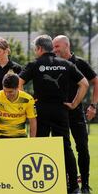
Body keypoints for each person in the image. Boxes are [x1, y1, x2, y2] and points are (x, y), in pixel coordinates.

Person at [19, 35, 89, 193]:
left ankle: (41, 185)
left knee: (40, 147)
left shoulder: (35, 64)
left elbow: (18, 83)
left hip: (41, 111)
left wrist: (30, 102)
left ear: (39, 49)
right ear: (51, 47)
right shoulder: (66, 64)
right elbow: (84, 84)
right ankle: (74, 187)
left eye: (35, 49)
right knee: (66, 148)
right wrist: (74, 103)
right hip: (61, 111)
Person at [53, 35, 97, 193]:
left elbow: (95, 81)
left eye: (57, 46)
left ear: (67, 45)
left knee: (83, 148)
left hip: (77, 113)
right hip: (59, 114)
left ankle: (85, 184)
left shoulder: (80, 63)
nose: (54, 50)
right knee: (63, 148)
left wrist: (93, 105)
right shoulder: (55, 64)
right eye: (53, 47)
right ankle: (69, 183)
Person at [0, 73, 37, 138]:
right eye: (5, 91)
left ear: (17, 87)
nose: (7, 94)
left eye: (10, 92)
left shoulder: (28, 99)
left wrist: (32, 141)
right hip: (0, 136)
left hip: (20, 136)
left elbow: (32, 122)